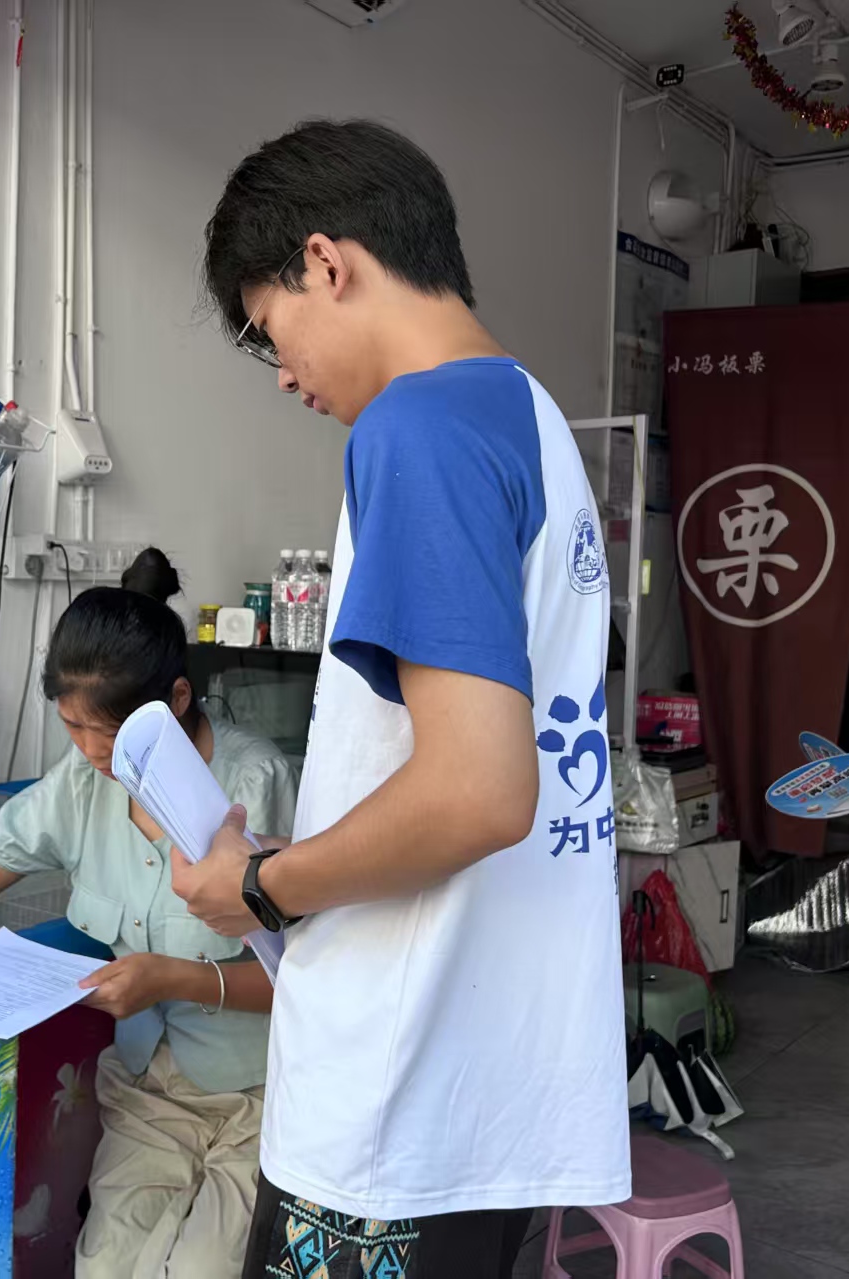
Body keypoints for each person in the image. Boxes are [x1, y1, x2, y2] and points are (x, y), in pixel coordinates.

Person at [174, 119, 630, 1279]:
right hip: (489, 1073)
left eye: (269, 331)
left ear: (325, 263)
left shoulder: (415, 426)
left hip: (398, 1086)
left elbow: (475, 792)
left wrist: (261, 886)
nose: (284, 374)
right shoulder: (525, 415)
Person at [0, 548, 297, 1279]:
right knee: (104, 1266)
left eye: (114, 733)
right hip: (148, 1091)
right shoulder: (82, 782)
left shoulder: (253, 784)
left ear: (178, 699)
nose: (95, 752)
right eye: (74, 727)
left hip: (257, 1097)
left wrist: (172, 979)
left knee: (202, 1269)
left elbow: (300, 978)